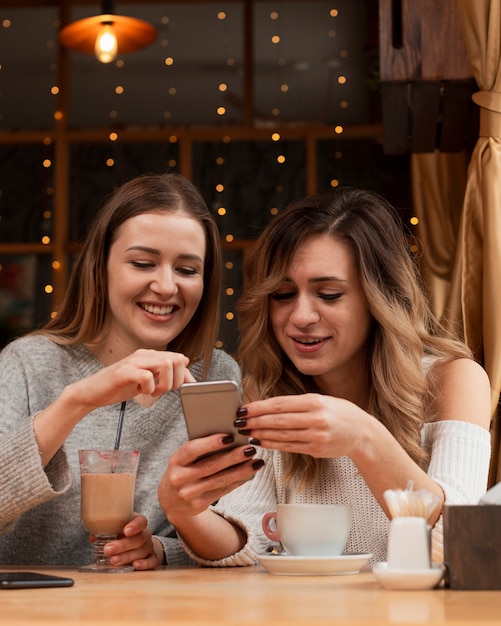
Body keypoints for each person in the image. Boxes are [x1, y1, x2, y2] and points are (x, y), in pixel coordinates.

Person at [159, 186, 492, 566]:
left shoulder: (452, 381)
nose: (300, 317)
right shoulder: (266, 389)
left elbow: (464, 545)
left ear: (378, 297)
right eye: (283, 294)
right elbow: (247, 543)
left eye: (329, 294)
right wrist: (185, 513)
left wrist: (364, 439)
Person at [0, 172, 255, 569]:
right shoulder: (28, 363)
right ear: (101, 266)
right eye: (142, 263)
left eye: (187, 270)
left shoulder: (215, 377)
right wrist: (78, 400)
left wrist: (160, 550)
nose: (167, 286)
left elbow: (238, 528)